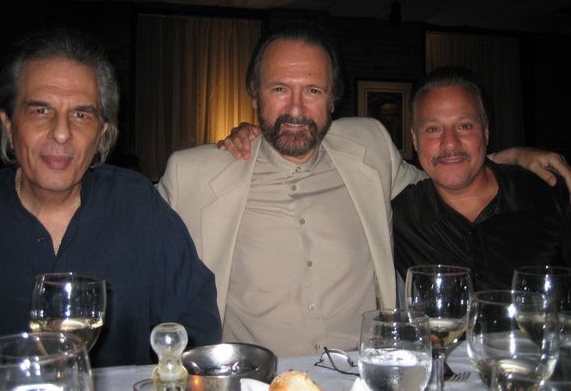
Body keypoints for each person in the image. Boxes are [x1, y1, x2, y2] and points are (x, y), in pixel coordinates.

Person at [158, 24, 571, 357]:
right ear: (255, 94)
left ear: (333, 99)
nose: (296, 109)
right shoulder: (195, 174)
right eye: (280, 89)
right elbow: (131, 234)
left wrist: (509, 157)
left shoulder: (370, 146)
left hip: (365, 374)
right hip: (255, 379)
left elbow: (444, 171)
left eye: (313, 90)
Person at [0, 29, 222, 367]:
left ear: (101, 135)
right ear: (9, 126)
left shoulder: (138, 206)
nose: (61, 132)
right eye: (41, 111)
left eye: (81, 114)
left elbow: (196, 325)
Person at [393, 67, 571, 290]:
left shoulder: (550, 195)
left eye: (464, 126)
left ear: (486, 132)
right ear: (414, 140)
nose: (450, 143)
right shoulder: (398, 217)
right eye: (433, 129)